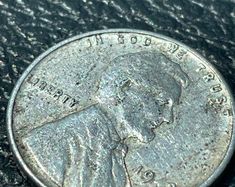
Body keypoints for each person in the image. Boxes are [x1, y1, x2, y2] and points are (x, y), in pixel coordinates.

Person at [22, 51, 189, 187]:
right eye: (161, 103)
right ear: (124, 88)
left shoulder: (116, 151)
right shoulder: (50, 144)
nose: (168, 118)